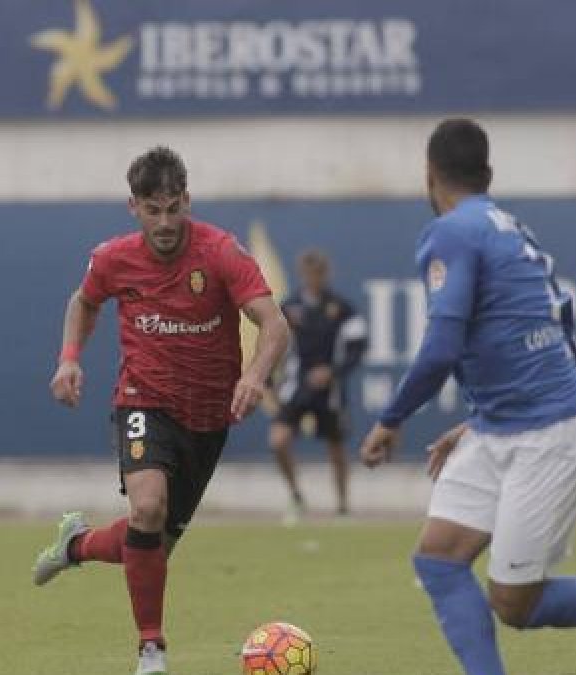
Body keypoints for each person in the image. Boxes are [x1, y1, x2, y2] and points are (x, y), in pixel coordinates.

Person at [358, 119, 576, 675]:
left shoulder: (452, 231)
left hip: (551, 435)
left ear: (430, 175)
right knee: (439, 559)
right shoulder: (508, 227)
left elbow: (441, 347)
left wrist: (390, 420)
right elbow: (557, 333)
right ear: (488, 174)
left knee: (514, 604)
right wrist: (477, 419)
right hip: (504, 426)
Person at [29, 146, 289, 675]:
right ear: (134, 208)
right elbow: (84, 302)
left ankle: (75, 545)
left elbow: (274, 322)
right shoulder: (112, 258)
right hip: (143, 400)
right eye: (154, 210)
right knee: (147, 511)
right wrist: (69, 359)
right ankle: (152, 647)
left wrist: (254, 375)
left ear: (187, 200)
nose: (166, 222)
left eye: (174, 208)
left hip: (209, 415)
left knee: (148, 546)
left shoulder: (220, 253)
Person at [269, 249, 367, 522]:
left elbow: (358, 348)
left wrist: (333, 371)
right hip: (296, 386)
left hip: (330, 390)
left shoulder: (342, 308)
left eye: (319, 273)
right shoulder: (289, 307)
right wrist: (268, 377)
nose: (314, 278)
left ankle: (343, 506)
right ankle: (296, 496)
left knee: (336, 448)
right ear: (302, 274)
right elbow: (273, 344)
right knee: (279, 440)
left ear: (327, 273)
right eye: (310, 273)